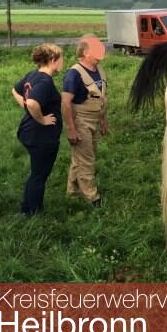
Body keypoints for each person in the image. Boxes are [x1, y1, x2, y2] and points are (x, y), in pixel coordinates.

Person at [11, 43, 64, 216]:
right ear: (53, 60)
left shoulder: (33, 75)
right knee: (39, 175)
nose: (63, 61)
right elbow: (33, 103)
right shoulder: (44, 81)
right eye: (61, 58)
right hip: (40, 136)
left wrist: (27, 108)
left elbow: (15, 90)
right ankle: (32, 212)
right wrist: (41, 119)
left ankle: (27, 207)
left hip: (29, 132)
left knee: (37, 173)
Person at [62, 35, 107, 207]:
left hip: (96, 119)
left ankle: (72, 192)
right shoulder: (73, 74)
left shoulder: (99, 70)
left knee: (80, 157)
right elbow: (66, 103)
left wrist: (103, 121)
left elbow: (102, 98)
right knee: (87, 159)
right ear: (86, 53)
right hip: (81, 121)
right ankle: (92, 197)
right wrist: (71, 129)